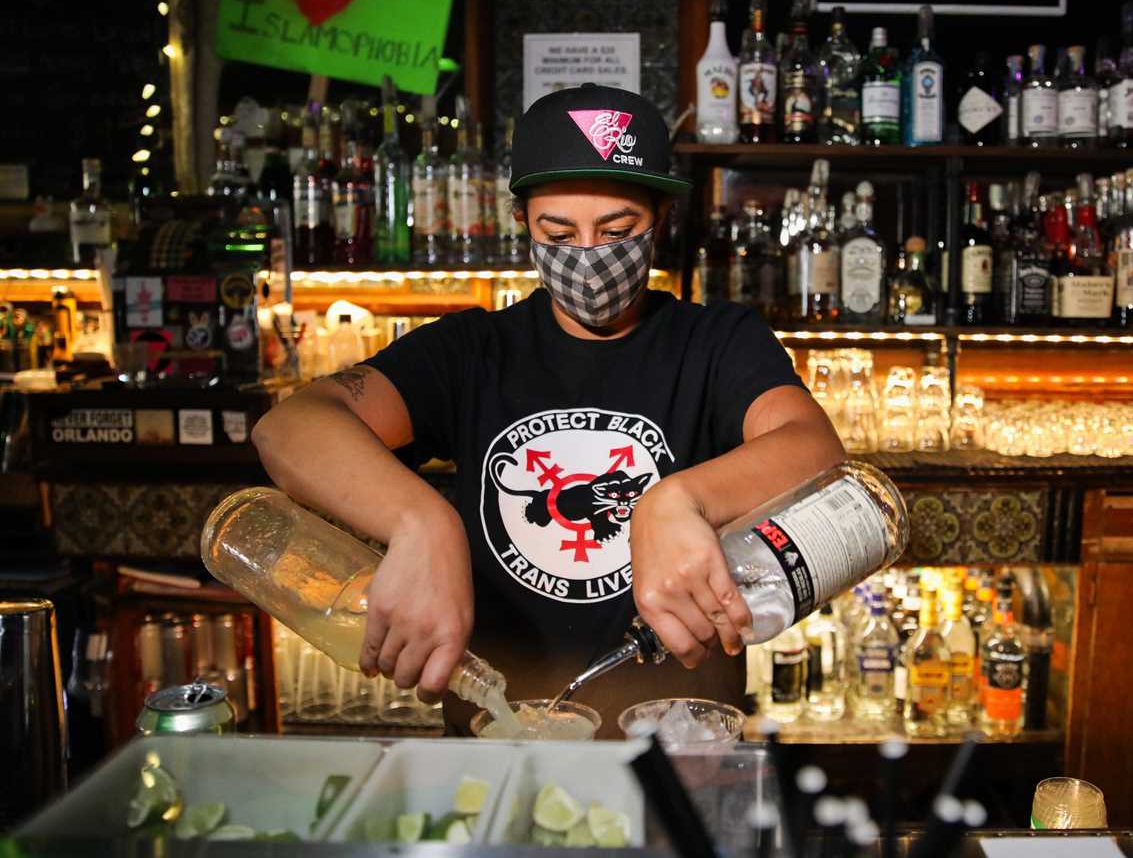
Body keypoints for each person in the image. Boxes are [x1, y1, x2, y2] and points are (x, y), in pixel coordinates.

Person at [252, 84, 844, 735]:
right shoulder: (473, 350)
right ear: (522, 225)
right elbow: (289, 427)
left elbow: (813, 446)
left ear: (661, 221)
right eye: (558, 232)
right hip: (503, 735)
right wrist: (422, 521)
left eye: (618, 231)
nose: (589, 256)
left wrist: (676, 501)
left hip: (678, 737)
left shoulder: (717, 343)